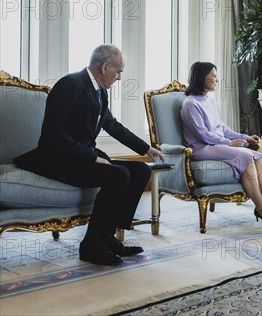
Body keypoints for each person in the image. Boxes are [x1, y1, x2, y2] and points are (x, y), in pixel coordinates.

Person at [13, 44, 164, 266]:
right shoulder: (70, 85)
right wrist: (91, 157)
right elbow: (53, 134)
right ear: (105, 67)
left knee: (141, 170)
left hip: (79, 158)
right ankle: (91, 246)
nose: (120, 78)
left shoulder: (100, 91)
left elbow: (112, 125)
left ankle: (107, 237)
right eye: (119, 72)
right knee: (118, 175)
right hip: (55, 158)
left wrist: (145, 148)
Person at [180, 62, 262, 228]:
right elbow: (203, 135)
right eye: (213, 75)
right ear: (201, 77)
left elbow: (222, 128)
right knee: (246, 155)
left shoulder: (210, 101)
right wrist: (230, 143)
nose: (216, 79)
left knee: (255, 157)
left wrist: (245, 137)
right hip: (201, 148)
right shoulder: (190, 104)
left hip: (216, 145)